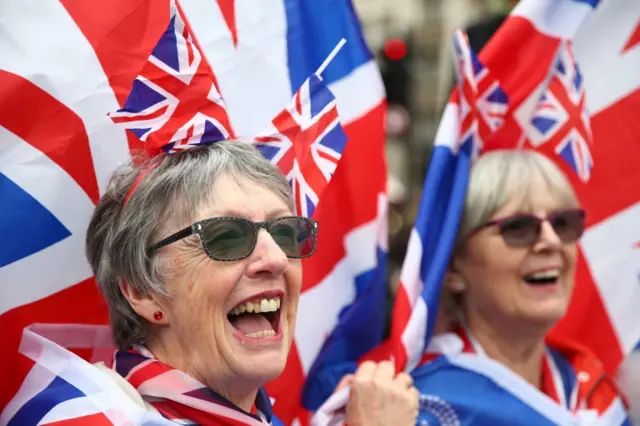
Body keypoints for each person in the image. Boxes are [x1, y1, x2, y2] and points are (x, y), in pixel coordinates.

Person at [3, 140, 419, 425]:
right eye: (225, 237)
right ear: (142, 291)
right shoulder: (86, 416)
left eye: (288, 232)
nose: (275, 258)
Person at [412, 150, 631, 425]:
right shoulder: (416, 403)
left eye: (562, 223)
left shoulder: (592, 390)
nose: (550, 241)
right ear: (454, 266)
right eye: (518, 227)